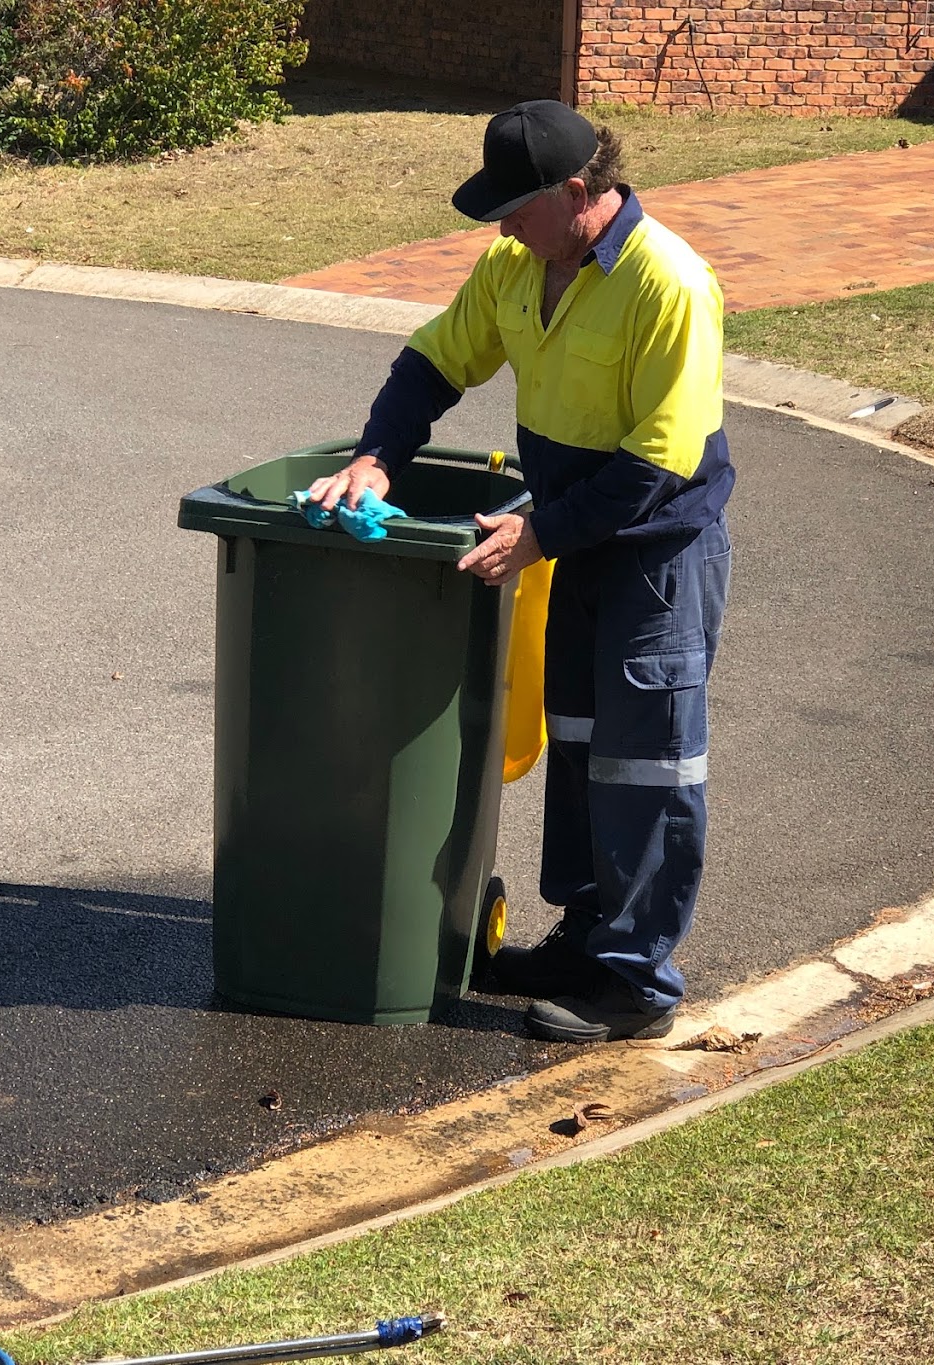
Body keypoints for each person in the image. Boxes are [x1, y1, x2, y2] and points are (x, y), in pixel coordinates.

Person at [310, 99, 734, 1044]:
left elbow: (659, 461)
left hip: (655, 553)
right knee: (584, 747)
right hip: (575, 543)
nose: (498, 228)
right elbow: (433, 363)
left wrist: (541, 534)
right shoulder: (519, 265)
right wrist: (380, 454)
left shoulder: (670, 283)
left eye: (513, 209)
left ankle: (636, 982)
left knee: (649, 764)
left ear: (577, 193)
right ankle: (588, 937)